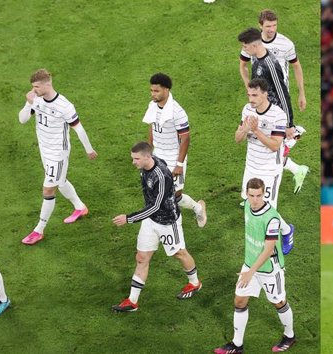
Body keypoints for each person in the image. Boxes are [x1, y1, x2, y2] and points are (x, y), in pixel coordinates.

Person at [111, 142, 202, 312]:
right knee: (141, 257)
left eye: (136, 159)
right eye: (133, 158)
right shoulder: (147, 165)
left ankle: (195, 283)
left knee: (179, 253)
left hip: (168, 221)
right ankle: (132, 301)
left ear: (147, 157)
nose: (133, 162)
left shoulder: (162, 176)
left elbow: (156, 206)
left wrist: (128, 219)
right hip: (150, 220)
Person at [213, 178, 295, 354]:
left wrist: (250, 272)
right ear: (247, 194)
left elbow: (268, 249)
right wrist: (249, 270)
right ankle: (237, 345)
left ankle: (290, 336)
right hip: (250, 265)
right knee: (240, 300)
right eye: (251, 195)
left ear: (264, 193)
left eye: (259, 195)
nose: (255, 199)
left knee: (278, 302)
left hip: (269, 269)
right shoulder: (247, 206)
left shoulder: (271, 218)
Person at [18, 69, 98, 245]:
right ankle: (80, 207)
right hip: (44, 151)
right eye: (33, 87)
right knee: (60, 182)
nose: (34, 90)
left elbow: (79, 128)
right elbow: (22, 120)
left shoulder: (65, 106)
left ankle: (38, 230)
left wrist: (89, 149)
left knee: (48, 189)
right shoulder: (36, 99)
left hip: (57, 153)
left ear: (47, 84)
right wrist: (28, 102)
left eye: (37, 86)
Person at [238, 24, 310, 194]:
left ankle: (261, 195)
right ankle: (297, 169)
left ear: (254, 45)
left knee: (271, 150)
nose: (243, 49)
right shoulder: (256, 58)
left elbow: (283, 93)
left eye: (245, 46)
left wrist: (288, 123)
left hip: (274, 114)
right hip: (261, 109)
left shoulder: (270, 65)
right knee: (266, 150)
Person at [236, 78, 295, 255]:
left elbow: (275, 145)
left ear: (265, 94)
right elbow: (237, 139)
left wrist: (256, 130)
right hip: (251, 166)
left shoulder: (278, 115)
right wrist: (245, 129)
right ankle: (286, 230)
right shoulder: (247, 110)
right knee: (252, 204)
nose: (251, 99)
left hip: (270, 169)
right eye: (249, 95)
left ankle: (278, 241)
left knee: (267, 209)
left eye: (255, 95)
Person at [142, 73, 207, 228]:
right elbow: (151, 128)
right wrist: (148, 151)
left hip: (173, 156)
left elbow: (185, 139)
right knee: (158, 191)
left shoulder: (177, 112)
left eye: (156, 91)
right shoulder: (152, 106)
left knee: (175, 195)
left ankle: (198, 209)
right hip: (157, 154)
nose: (153, 94)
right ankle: (165, 223)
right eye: (151, 90)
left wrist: (179, 164)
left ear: (166, 89)